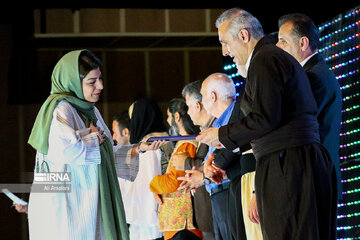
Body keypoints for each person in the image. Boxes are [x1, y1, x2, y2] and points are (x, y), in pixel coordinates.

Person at [197, 8, 337, 240]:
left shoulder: (266, 59)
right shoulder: (268, 58)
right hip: (289, 161)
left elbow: (264, 118)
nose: (224, 51)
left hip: (289, 163)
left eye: (225, 42)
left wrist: (221, 135)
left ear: (243, 35)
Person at [27, 49, 130, 240]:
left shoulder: (89, 109)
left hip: (85, 200)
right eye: (92, 82)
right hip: (68, 208)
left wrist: (138, 150)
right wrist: (93, 138)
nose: (100, 86)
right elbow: (66, 152)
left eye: (100, 78)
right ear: (73, 82)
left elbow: (104, 151)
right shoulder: (61, 109)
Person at [276, 13, 342, 200]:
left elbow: (294, 125)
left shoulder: (312, 77)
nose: (278, 47)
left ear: (303, 43)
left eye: (283, 41)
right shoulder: (312, 73)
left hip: (314, 179)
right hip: (314, 178)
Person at [200, 73, 247, 240]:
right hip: (218, 193)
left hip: (231, 188)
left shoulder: (238, 115)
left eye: (202, 96)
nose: (202, 103)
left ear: (212, 96)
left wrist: (213, 166)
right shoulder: (216, 123)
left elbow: (236, 148)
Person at [120, 97, 174, 240]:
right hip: (169, 205)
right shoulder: (167, 137)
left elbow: (146, 181)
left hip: (151, 214)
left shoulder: (149, 143)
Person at [150, 98, 202, 240]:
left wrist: (153, 184)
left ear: (177, 117)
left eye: (168, 115)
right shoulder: (187, 141)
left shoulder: (187, 144)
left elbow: (174, 181)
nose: (167, 120)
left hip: (182, 224)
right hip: (179, 223)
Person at [177, 79, 216, 240]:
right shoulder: (205, 130)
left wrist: (185, 162)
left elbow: (214, 162)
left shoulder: (215, 129)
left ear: (198, 105)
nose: (188, 113)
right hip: (207, 212)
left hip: (215, 209)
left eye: (188, 107)